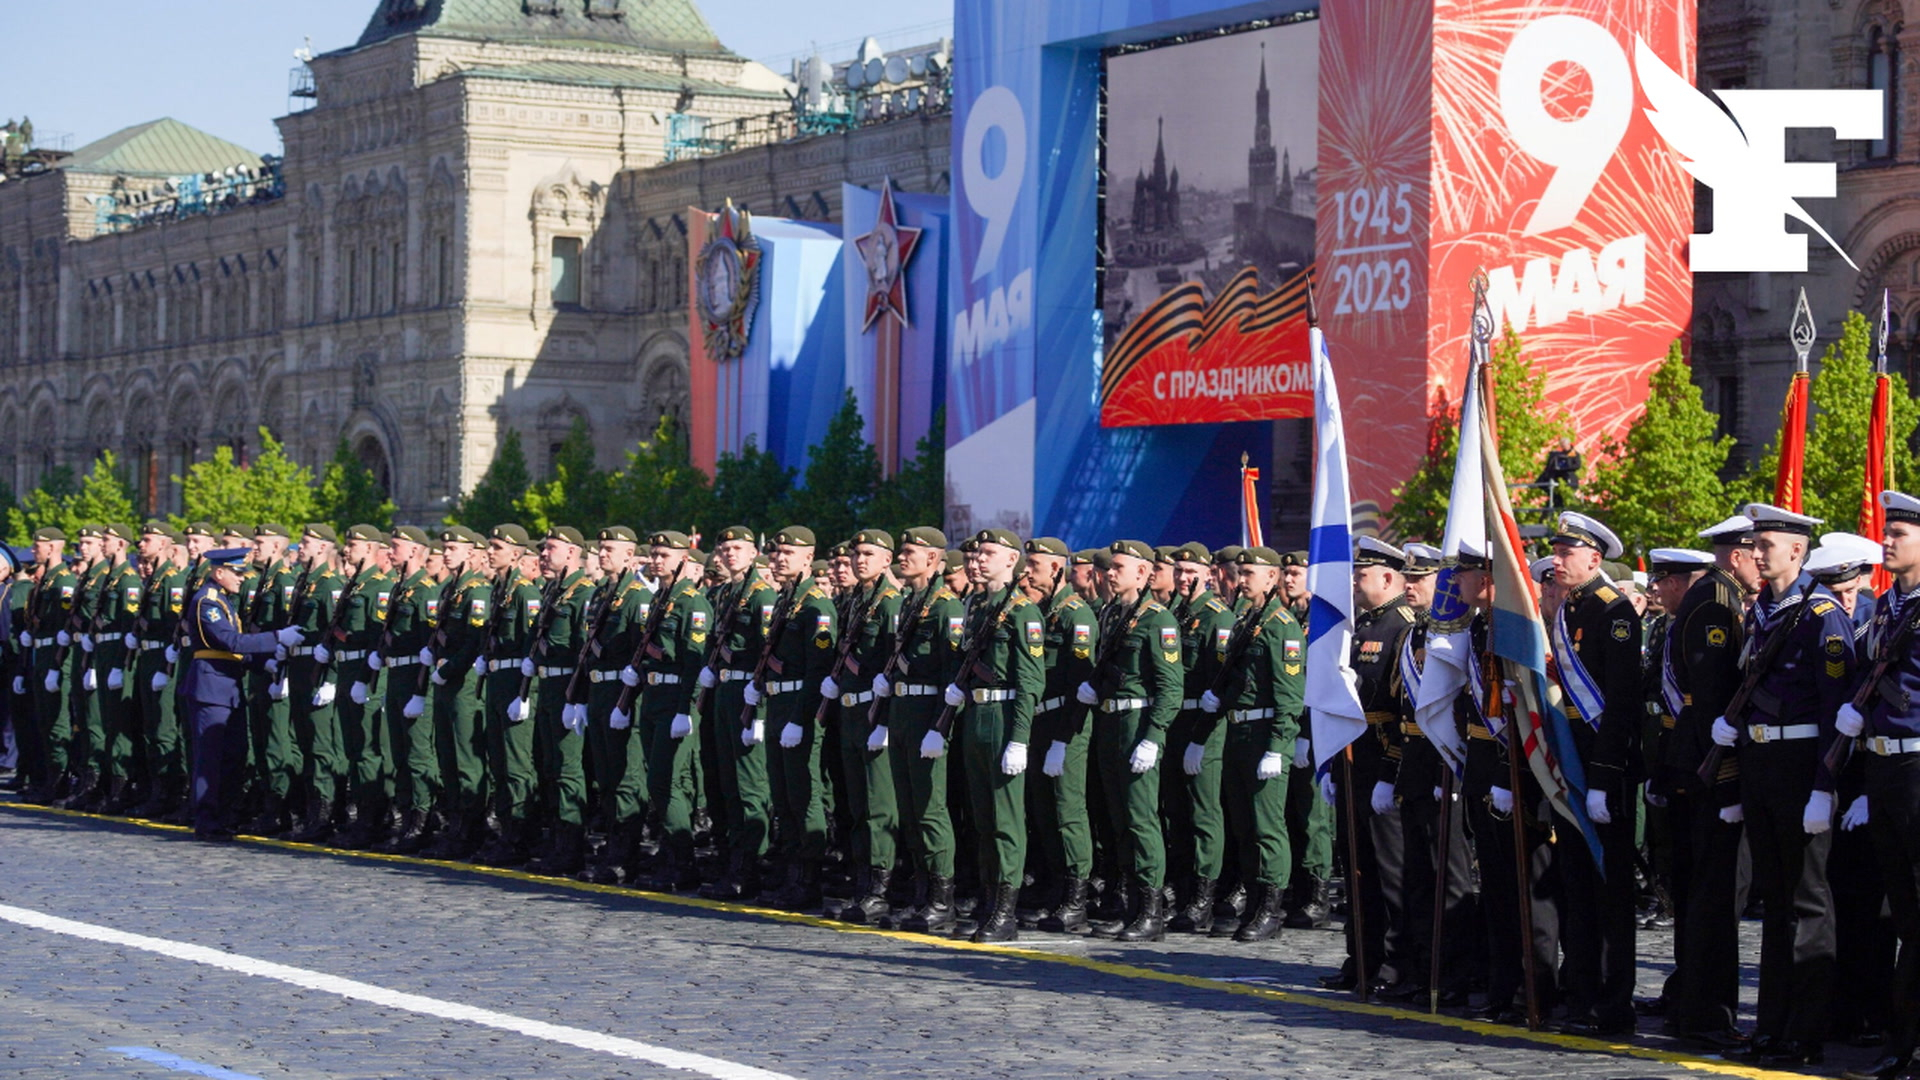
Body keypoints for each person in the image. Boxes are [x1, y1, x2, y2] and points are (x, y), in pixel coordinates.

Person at [1711, 503, 1857, 1065]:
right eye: (1754, 543)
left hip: (1801, 765)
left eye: (1766, 543)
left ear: (1797, 550)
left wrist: (1825, 784)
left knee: (1807, 900)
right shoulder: (1766, 611)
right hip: (1763, 764)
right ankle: (1771, 1022)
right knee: (1775, 903)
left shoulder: (1821, 614)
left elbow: (1836, 708)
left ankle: (1806, 1028)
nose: (1756, 552)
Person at [1546, 510, 1642, 1038]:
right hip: (1574, 765)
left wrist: (1604, 777)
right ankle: (1582, 993)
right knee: (1577, 886)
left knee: (1608, 890)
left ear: (1594, 558)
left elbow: (1622, 704)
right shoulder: (1572, 609)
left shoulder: (1614, 611)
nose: (1557, 560)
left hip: (1605, 772)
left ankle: (1612, 1001)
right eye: (1555, 551)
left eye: (1566, 552)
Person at [934, 528, 1042, 942]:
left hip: (1003, 716)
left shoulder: (1022, 611)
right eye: (976, 554)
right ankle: (988, 898)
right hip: (977, 713)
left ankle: (1005, 911)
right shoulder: (977, 605)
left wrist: (1019, 738)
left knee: (1005, 820)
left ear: (1010, 560)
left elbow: (1031, 682)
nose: (977, 560)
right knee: (982, 819)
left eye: (988, 554)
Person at [1845, 491, 1920, 1080]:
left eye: (1898, 532)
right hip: (1883, 769)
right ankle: (1904, 1038)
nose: (1886, 540)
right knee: (1903, 915)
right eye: (1886, 531)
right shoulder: (1886, 607)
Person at [1321, 537, 1416, 993]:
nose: (1354, 583)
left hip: (1382, 760)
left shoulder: (1403, 626)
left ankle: (1395, 965)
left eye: (1362, 575)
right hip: (1353, 757)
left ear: (1388, 578)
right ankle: (1361, 957)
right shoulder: (1362, 626)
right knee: (1356, 866)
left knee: (1388, 871)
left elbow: (1403, 708)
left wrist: (1389, 772)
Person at [1200, 546, 1306, 943]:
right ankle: (1253, 899)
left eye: (1250, 573)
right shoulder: (1247, 618)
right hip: (1238, 731)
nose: (1241, 579)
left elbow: (1289, 693)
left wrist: (1279, 746)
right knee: (1243, 825)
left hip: (1263, 734)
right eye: (1240, 572)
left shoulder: (1281, 625)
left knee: (1267, 827)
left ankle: (1271, 908)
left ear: (1272, 578)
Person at [873, 527, 965, 931]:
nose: (903, 556)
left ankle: (943, 900)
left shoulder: (947, 608)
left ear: (933, 559)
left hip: (929, 714)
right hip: (903, 712)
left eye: (910, 551)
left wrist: (939, 728)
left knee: (930, 810)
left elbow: (954, 671)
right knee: (909, 809)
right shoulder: (910, 603)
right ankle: (921, 893)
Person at [182, 546, 304, 840]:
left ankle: (224, 817)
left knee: (234, 756)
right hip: (211, 688)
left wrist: (266, 662)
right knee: (210, 758)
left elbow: (234, 652)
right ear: (218, 572)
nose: (241, 578)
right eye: (236, 572)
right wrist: (276, 638)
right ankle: (208, 820)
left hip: (228, 687)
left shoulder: (224, 601)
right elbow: (228, 641)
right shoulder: (207, 602)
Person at [627, 529, 713, 891]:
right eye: (654, 555)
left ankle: (683, 859)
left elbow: (695, 661)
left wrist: (685, 710)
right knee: (656, 782)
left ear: (684, 560)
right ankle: (670, 853)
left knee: (665, 781)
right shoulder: (661, 598)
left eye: (664, 555)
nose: (656, 560)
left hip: (676, 701)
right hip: (654, 697)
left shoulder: (692, 602)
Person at [1021, 536, 1100, 933]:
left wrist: (1064, 738)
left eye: (1033, 564)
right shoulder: (1043, 610)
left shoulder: (1075, 615)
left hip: (1065, 725)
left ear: (1055, 568)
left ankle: (1076, 898)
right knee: (1044, 812)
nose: (1026, 570)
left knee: (1069, 812)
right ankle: (1055, 889)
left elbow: (1081, 685)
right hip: (1039, 721)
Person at [829, 528, 903, 921]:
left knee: (878, 805)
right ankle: (861, 882)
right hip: (851, 712)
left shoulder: (891, 604)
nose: (859, 560)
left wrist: (886, 721)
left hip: (875, 713)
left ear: (886, 560)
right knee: (857, 805)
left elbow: (894, 663)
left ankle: (880, 888)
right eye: (857, 554)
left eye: (868, 554)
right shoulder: (858, 601)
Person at [1165, 542, 1235, 933]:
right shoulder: (1175, 613)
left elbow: (1220, 682)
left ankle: (1204, 899)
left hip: (1203, 722)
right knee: (1177, 812)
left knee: (1203, 812)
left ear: (1208, 574)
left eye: (1191, 572)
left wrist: (1202, 736)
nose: (1184, 578)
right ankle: (1184, 889)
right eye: (1179, 571)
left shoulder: (1215, 618)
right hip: (1176, 720)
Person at [579, 526, 654, 885]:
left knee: (625, 777)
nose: (602, 553)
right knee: (605, 776)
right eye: (600, 547)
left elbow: (641, 653)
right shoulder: (601, 595)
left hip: (621, 696)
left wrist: (628, 702)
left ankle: (627, 854)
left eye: (610, 548)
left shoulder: (637, 597)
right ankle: (612, 844)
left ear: (629, 555)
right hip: (598, 693)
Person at [522, 526, 595, 876]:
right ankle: (555, 841)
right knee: (547, 765)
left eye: (551, 548)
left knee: (568, 771)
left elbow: (584, 651)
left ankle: (570, 846)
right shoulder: (555, 591)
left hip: (568, 689)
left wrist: (579, 699)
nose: (543, 554)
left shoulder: (584, 594)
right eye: (543, 548)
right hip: (549, 689)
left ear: (572, 553)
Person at [418, 526, 493, 860]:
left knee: (466, 761)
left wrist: (447, 669)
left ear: (472, 553)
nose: (446, 553)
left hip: (462, 685)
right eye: (445, 548)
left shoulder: (477, 590)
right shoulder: (451, 588)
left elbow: (474, 642)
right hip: (445, 684)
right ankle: (455, 823)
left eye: (453, 548)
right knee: (446, 756)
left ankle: (471, 829)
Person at [474, 524, 543, 866]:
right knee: (499, 763)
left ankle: (521, 836)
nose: (490, 551)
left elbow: (530, 645)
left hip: (515, 682)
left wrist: (524, 693)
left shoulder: (524, 592)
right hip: (498, 682)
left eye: (497, 546)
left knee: (517, 766)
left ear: (515, 554)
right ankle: (506, 833)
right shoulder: (498, 589)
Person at [371, 526, 438, 853]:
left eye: (395, 546)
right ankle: (405, 814)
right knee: (398, 752)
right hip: (396, 676)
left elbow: (431, 641)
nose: (390, 551)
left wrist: (421, 690)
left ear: (414, 551)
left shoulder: (427, 591)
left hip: (415, 677)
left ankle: (422, 821)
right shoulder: (401, 589)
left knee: (417, 753)